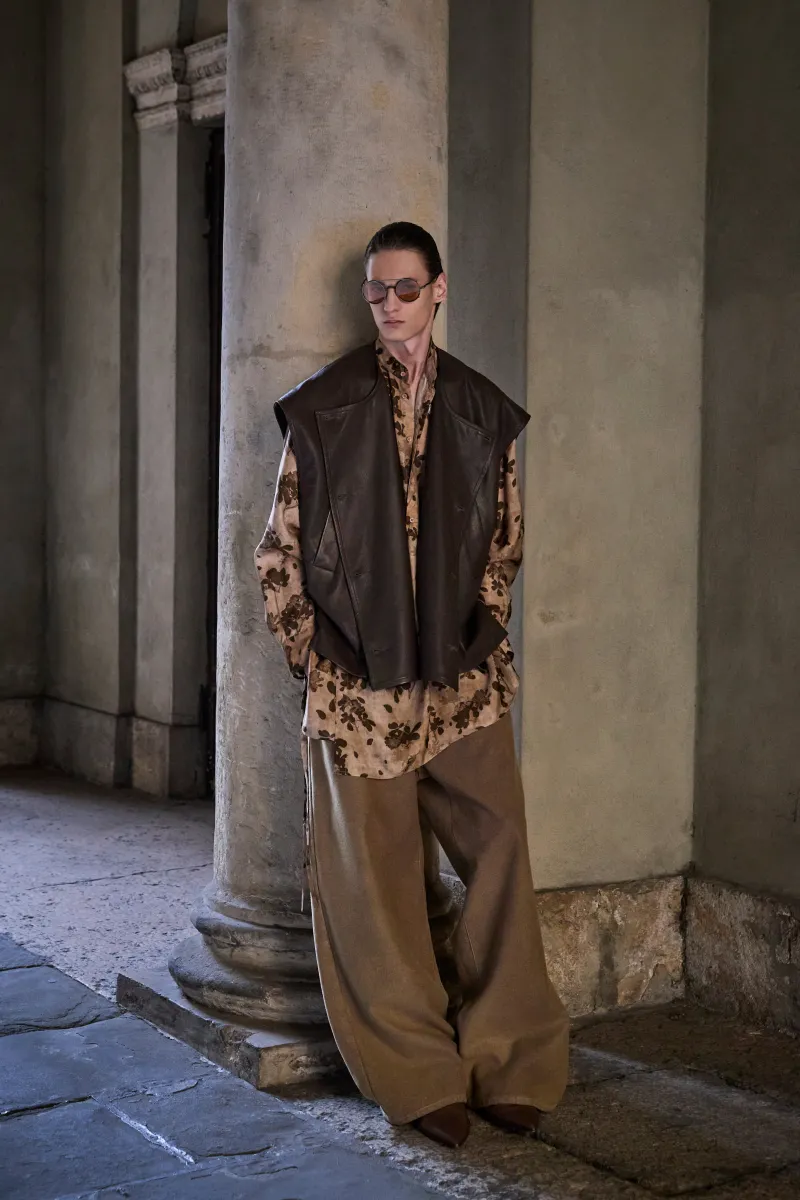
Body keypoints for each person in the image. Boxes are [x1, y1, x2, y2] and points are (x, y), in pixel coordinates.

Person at [255, 221, 569, 1148]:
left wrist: (482, 628)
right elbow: (278, 553)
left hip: (461, 678)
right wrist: (315, 658)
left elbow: (505, 540)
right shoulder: (323, 408)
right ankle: (418, 1071)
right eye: (375, 291)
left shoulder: (482, 409)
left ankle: (513, 1056)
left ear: (439, 290)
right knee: (377, 883)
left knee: (500, 849)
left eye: (405, 288)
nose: (389, 305)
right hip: (359, 691)